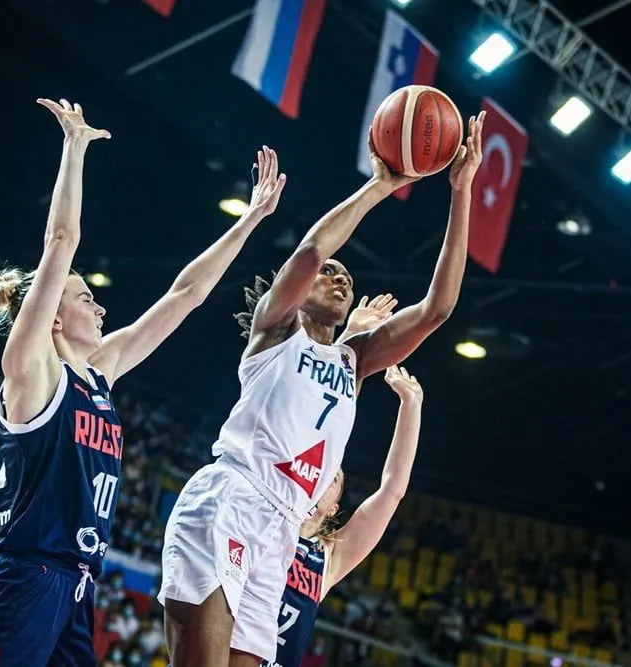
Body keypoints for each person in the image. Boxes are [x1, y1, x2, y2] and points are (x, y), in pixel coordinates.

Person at [0, 98, 286, 667]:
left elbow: (186, 295)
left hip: (79, 586)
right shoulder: (32, 371)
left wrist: (250, 219)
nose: (101, 307)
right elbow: (61, 241)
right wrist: (74, 148)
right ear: (53, 317)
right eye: (86, 298)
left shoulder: (99, 372)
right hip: (24, 580)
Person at [158, 113, 486, 667]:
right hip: (233, 499)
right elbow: (311, 252)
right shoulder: (274, 331)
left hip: (283, 530)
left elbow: (438, 309)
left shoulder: (354, 361)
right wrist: (380, 186)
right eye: (332, 274)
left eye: (347, 280)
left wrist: (461, 191)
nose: (340, 280)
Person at [266, 354, 423, 667]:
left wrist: (412, 404)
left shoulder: (328, 557)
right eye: (322, 469)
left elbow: (392, 490)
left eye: (334, 477)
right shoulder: (265, 516)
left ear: (333, 508)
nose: (325, 474)